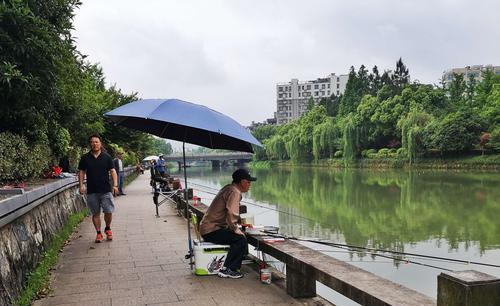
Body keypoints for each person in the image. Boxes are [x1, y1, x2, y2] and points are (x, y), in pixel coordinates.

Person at [199, 168, 257, 279]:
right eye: (249, 182)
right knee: (240, 239)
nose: (250, 185)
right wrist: (236, 229)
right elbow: (232, 213)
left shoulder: (229, 188)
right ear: (242, 182)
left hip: (208, 228)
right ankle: (229, 269)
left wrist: (235, 227)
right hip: (211, 230)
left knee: (238, 236)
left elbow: (229, 214)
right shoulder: (235, 192)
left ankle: (235, 262)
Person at [78, 134, 118, 243]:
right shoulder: (85, 158)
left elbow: (113, 171)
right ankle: (99, 233)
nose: (94, 144)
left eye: (96, 142)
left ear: (100, 143)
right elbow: (81, 171)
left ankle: (108, 228)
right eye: (92, 142)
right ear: (90, 144)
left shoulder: (107, 157)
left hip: (105, 189)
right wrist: (81, 185)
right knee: (95, 213)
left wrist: (115, 185)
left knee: (108, 211)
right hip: (92, 190)